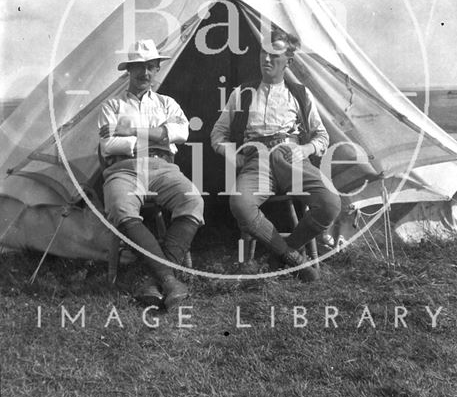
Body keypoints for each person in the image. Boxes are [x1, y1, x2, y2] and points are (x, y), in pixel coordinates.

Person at [211, 28, 341, 281]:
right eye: (263, 52)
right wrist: (231, 156)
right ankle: (293, 260)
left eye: (274, 55)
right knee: (240, 204)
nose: (266, 59)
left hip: (291, 156)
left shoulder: (300, 94)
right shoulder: (242, 93)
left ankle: (279, 255)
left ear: (288, 62)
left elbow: (321, 136)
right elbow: (218, 134)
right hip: (255, 159)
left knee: (330, 203)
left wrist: (305, 149)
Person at [98, 39, 204, 310]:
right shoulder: (112, 107)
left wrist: (133, 132)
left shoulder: (167, 103)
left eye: (151, 67)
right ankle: (169, 280)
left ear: (157, 70)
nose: (145, 73)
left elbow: (182, 133)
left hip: (162, 167)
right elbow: (108, 145)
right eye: (139, 67)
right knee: (121, 207)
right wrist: (157, 135)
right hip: (124, 169)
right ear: (129, 70)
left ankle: (153, 279)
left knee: (193, 199)